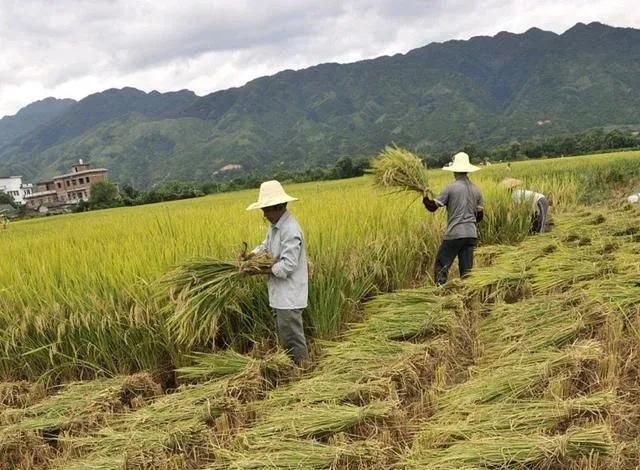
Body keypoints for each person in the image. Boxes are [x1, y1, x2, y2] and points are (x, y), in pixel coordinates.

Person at [242, 180, 308, 365]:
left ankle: (303, 370)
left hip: (290, 295)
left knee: (292, 338)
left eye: (266, 209)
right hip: (281, 295)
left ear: (278, 206)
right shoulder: (275, 227)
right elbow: (265, 246)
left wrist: (259, 270)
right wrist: (250, 257)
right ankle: (292, 368)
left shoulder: (290, 230)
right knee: (286, 336)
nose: (263, 214)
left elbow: (287, 266)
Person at [422, 152, 484, 286]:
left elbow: (433, 207)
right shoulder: (476, 190)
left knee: (441, 265)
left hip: (455, 233)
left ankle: (440, 292)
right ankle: (467, 296)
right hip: (471, 235)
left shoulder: (451, 188)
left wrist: (425, 198)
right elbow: (479, 216)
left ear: (455, 170)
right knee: (467, 272)